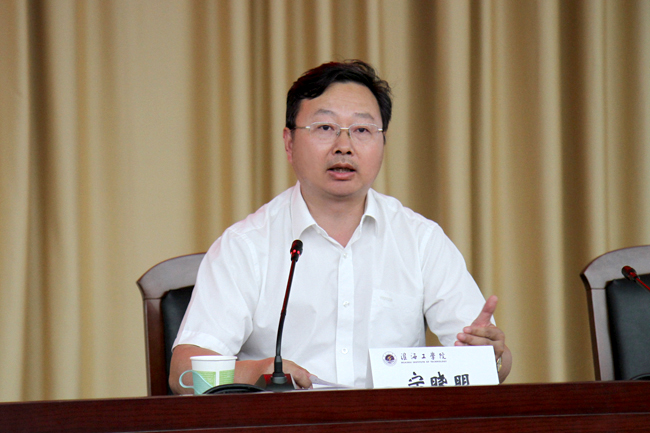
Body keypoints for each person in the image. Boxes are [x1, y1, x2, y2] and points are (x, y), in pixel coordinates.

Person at [169, 60, 512, 393]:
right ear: (289, 143)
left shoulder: (420, 240)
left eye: (362, 130)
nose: (344, 146)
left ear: (383, 143)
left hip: (392, 421)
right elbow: (183, 373)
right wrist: (257, 371)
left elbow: (494, 362)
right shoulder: (246, 245)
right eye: (324, 128)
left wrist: (489, 357)